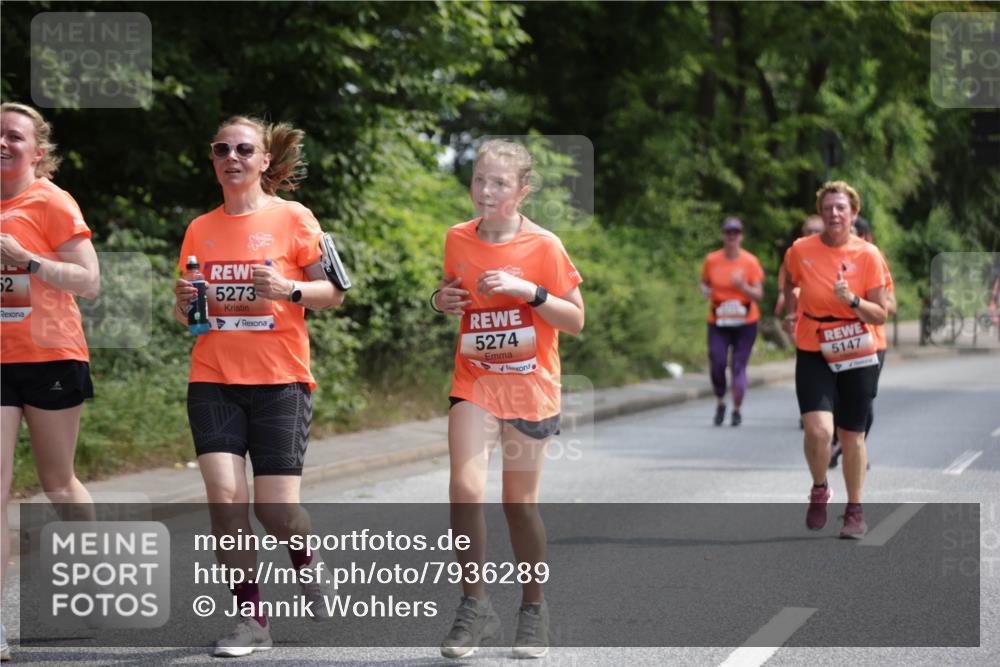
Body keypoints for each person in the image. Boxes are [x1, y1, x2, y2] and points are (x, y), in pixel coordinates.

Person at [173, 115, 344, 657]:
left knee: (276, 512)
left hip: (281, 382)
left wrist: (290, 288)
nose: (232, 157)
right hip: (214, 379)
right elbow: (189, 311)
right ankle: (252, 621)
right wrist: (183, 305)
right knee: (225, 501)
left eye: (244, 149)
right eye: (221, 148)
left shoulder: (294, 217)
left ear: (264, 159)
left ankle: (308, 561)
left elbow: (334, 291)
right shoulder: (200, 228)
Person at [432, 139, 584, 659]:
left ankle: (533, 610)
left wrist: (529, 292)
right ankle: (475, 606)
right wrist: (441, 300)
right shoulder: (457, 237)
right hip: (474, 382)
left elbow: (575, 318)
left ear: (521, 191)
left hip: (530, 387)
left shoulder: (544, 246)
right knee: (465, 490)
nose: (485, 191)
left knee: (518, 505)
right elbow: (451, 292)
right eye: (479, 179)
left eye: (499, 183)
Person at [1, 103, 101, 662]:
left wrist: (28, 259)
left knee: (57, 483)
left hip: (50, 357)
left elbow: (89, 281)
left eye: (13, 136)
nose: (2, 143)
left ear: (37, 150)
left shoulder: (51, 200)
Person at [783, 181, 887, 539]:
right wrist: (791, 310)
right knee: (818, 430)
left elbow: (881, 314)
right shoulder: (800, 250)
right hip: (814, 345)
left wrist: (853, 301)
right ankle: (819, 487)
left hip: (857, 347)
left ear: (853, 213)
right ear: (820, 212)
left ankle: (855, 510)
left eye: (841, 208)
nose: (834, 214)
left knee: (852, 434)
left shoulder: (868, 255)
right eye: (828, 208)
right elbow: (789, 282)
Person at [829, 216, 896, 468]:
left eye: (855, 232)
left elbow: (890, 304)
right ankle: (845, 443)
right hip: (840, 340)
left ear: (865, 236)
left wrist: (859, 299)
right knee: (836, 397)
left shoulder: (874, 259)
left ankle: (854, 446)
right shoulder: (833, 260)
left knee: (862, 401)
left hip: (873, 343)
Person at [699, 217, 764, 427]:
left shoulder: (750, 262)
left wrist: (742, 286)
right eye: (728, 233)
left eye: (736, 233)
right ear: (723, 236)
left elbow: (758, 294)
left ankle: (736, 408)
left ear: (741, 237)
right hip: (719, 320)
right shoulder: (712, 260)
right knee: (717, 362)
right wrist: (704, 290)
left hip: (745, 321)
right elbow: (704, 282)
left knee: (738, 366)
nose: (732, 237)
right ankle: (720, 401)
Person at [774, 214, 824, 320]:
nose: (812, 234)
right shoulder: (794, 252)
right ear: (804, 232)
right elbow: (785, 273)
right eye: (810, 231)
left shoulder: (831, 252)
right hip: (802, 309)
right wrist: (782, 293)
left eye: (817, 231)